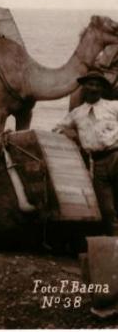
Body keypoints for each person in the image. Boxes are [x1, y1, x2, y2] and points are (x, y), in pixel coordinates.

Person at [54, 70, 118, 235]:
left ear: (102, 89)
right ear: (84, 87)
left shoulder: (113, 106)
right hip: (97, 163)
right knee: (107, 208)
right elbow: (58, 129)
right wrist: (70, 136)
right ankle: (114, 248)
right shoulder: (76, 113)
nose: (94, 88)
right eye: (90, 84)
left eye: (97, 85)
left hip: (116, 156)